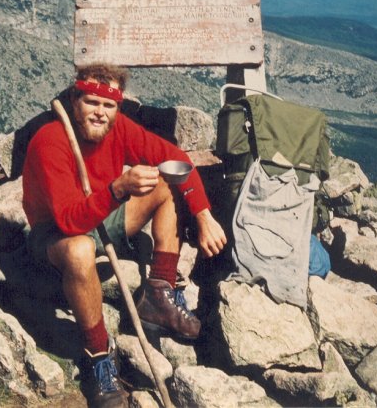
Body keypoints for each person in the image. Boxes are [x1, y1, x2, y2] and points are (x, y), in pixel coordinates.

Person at [22, 63, 227, 408]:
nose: (100, 113)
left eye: (109, 105)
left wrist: (203, 214)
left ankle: (159, 294)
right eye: (91, 102)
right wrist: (118, 189)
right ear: (75, 100)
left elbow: (175, 159)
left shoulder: (119, 129)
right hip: (55, 233)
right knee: (80, 251)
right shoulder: (50, 141)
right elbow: (70, 220)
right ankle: (99, 355)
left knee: (165, 182)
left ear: (117, 107)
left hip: (101, 216)